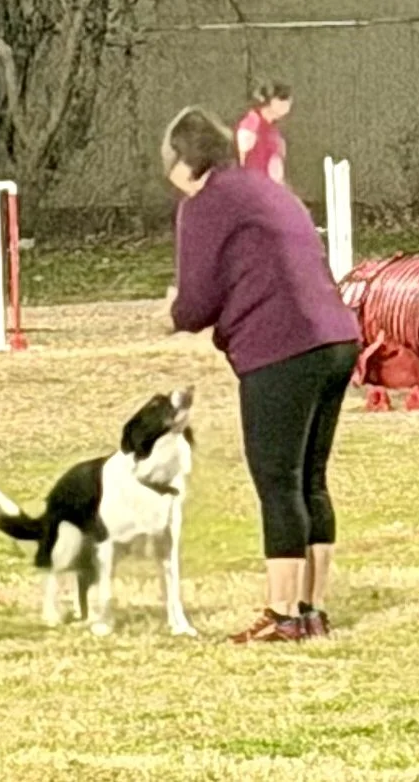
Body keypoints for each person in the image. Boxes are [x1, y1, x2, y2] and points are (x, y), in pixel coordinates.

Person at [163, 106, 359, 644]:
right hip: (337, 336)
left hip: (282, 345)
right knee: (311, 480)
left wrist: (171, 313)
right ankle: (312, 609)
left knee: (277, 481)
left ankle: (281, 616)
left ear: (182, 160)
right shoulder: (269, 189)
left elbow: (197, 301)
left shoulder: (205, 204)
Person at [233, 81, 293, 185]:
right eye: (281, 100)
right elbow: (241, 157)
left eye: (288, 102)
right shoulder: (252, 121)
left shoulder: (274, 131)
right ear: (270, 100)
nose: (286, 106)